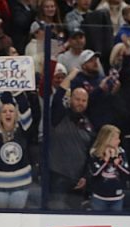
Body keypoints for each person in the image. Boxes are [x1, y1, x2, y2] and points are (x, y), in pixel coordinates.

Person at [49, 70, 95, 209]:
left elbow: (90, 153)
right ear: (70, 99)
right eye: (77, 99)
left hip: (78, 180)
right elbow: (58, 97)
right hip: (58, 177)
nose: (80, 103)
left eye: (84, 100)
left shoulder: (89, 124)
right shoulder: (59, 115)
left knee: (75, 217)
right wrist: (70, 76)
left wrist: (85, 176)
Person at [0, 93, 34, 209]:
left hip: (20, 184)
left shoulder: (23, 129)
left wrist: (18, 91)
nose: (8, 113)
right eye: (4, 111)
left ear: (16, 114)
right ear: (0, 116)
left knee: (16, 223)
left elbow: (25, 109)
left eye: (11, 111)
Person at [83, 124, 130, 211]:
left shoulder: (121, 152)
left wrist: (117, 164)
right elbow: (94, 173)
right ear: (107, 139)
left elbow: (127, 173)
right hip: (99, 198)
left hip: (117, 198)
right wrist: (105, 161)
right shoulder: (95, 153)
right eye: (116, 139)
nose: (119, 141)